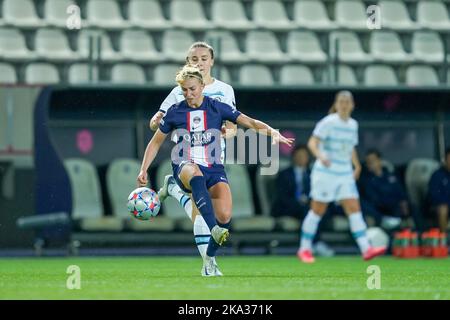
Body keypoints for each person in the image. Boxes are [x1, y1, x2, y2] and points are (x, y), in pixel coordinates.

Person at [137, 65, 294, 276]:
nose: (189, 94)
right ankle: (212, 228)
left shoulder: (217, 107)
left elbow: (248, 121)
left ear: (202, 86)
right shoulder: (175, 111)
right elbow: (155, 142)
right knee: (195, 175)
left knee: (225, 216)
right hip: (185, 164)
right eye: (184, 90)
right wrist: (144, 168)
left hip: (214, 167)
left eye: (192, 89)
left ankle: (209, 261)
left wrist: (272, 132)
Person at [148, 42, 237, 267]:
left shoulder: (225, 90)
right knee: (201, 215)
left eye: (204, 58)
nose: (200, 63)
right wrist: (156, 120)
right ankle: (210, 264)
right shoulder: (180, 91)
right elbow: (156, 123)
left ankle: (175, 191)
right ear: (189, 63)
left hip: (215, 160)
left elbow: (234, 125)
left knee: (220, 215)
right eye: (194, 59)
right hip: (187, 158)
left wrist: (227, 132)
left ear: (212, 61)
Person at [297, 91, 386, 263]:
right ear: (336, 104)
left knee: (354, 208)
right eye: (341, 101)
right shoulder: (328, 122)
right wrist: (320, 156)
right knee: (318, 210)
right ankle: (304, 248)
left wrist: (357, 165)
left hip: (344, 172)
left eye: (347, 101)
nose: (344, 104)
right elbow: (312, 143)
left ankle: (366, 249)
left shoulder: (353, 124)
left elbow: (350, 147)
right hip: (325, 172)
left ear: (352, 105)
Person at [272, 144, 334, 256]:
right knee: (308, 210)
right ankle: (314, 243)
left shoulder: (314, 174)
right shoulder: (284, 174)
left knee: (319, 210)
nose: (301, 158)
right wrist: (299, 202)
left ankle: (312, 244)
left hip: (308, 206)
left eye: (304, 156)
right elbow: (282, 197)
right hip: (288, 207)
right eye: (298, 155)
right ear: (293, 157)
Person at [359, 149, 424, 232]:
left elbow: (401, 191)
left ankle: (421, 235)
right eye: (368, 162)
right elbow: (372, 198)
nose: (370, 164)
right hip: (381, 208)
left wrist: (404, 201)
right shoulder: (366, 179)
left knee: (412, 206)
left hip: (396, 205)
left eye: (372, 160)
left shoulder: (390, 175)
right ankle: (395, 236)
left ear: (379, 161)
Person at [426, 147, 450, 233]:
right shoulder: (437, 175)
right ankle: (445, 238)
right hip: (440, 206)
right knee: (443, 209)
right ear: (445, 160)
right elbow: (433, 196)